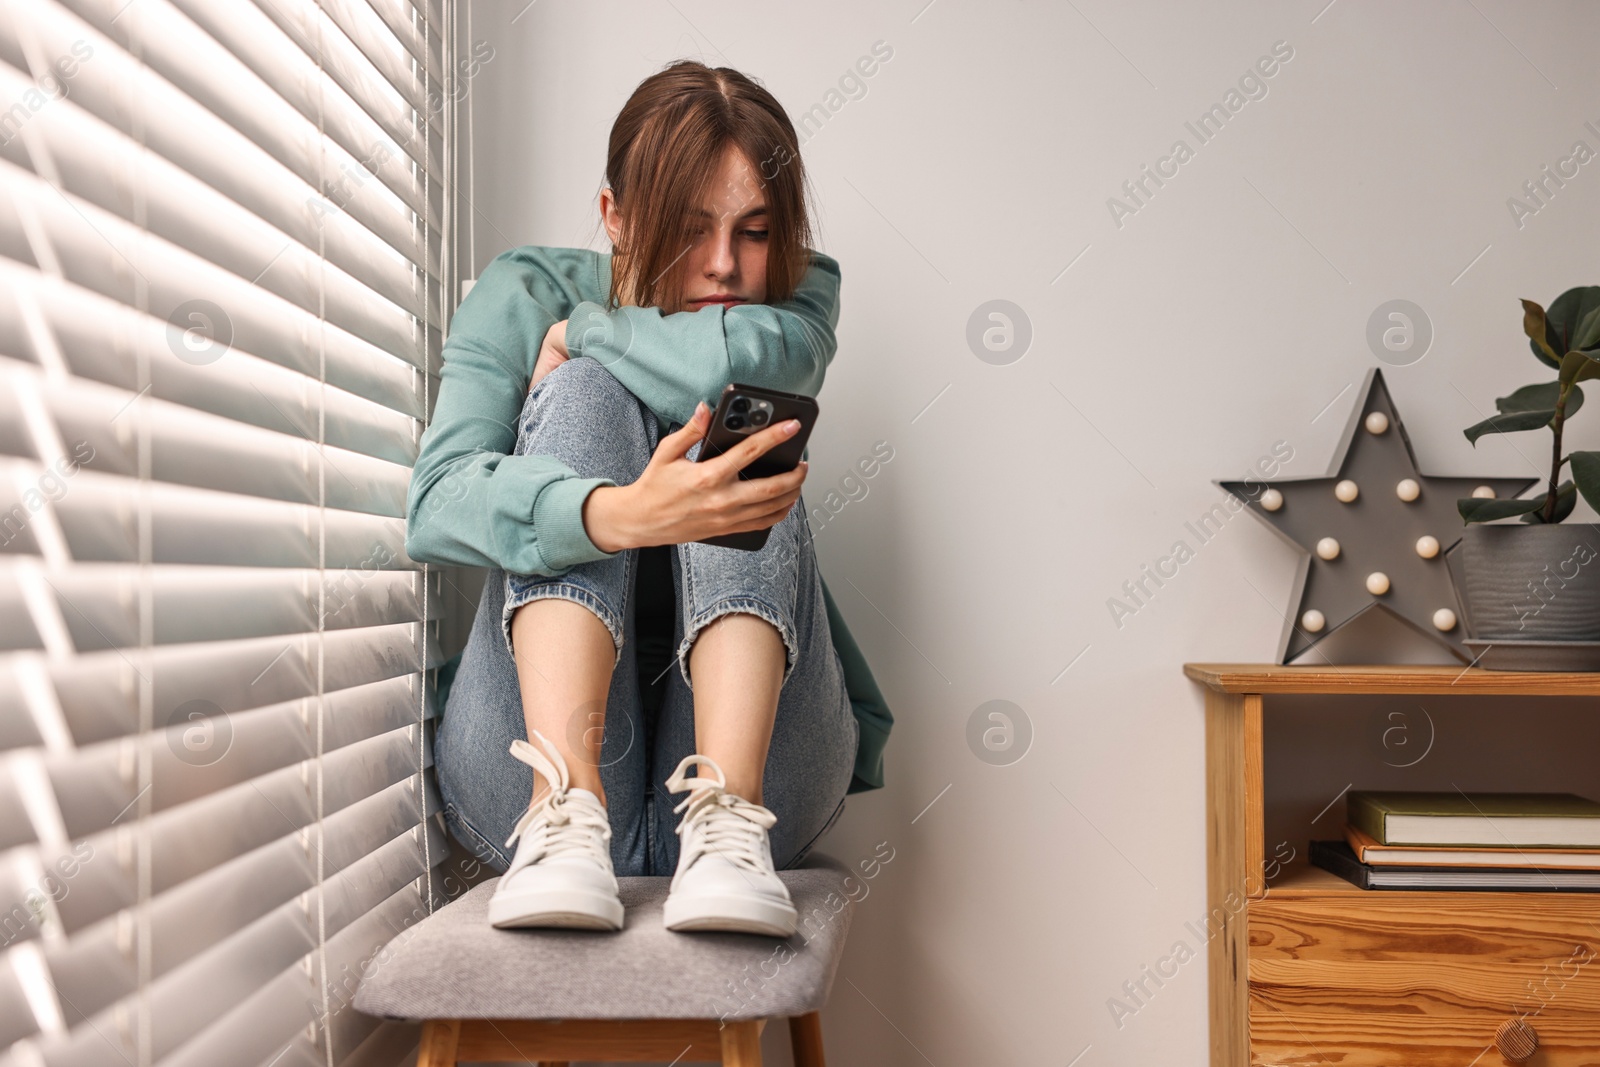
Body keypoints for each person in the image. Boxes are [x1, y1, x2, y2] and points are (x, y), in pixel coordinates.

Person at [405, 60, 893, 936]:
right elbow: (435, 503)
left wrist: (584, 327)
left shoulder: (802, 288)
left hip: (773, 772)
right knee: (585, 394)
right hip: (517, 762)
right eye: (689, 228)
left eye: (754, 230)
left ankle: (725, 820)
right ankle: (562, 813)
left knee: (738, 422)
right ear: (615, 220)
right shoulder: (522, 290)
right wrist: (623, 514)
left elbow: (731, 365)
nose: (724, 265)